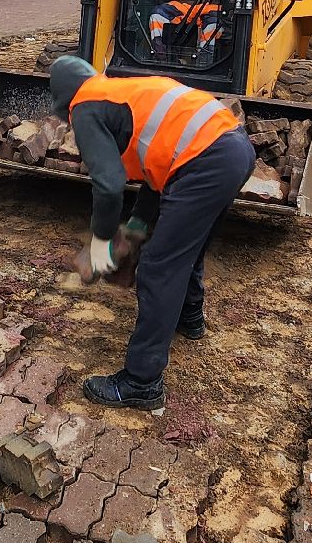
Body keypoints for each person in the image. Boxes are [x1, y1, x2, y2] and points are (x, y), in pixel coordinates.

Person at [46, 56, 256, 412]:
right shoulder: (121, 93)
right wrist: (137, 226)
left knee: (159, 268)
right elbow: (158, 166)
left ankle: (141, 382)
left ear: (64, 103)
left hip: (206, 160)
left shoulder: (84, 107)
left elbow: (109, 186)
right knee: (185, 248)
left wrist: (101, 243)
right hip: (234, 148)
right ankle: (189, 317)